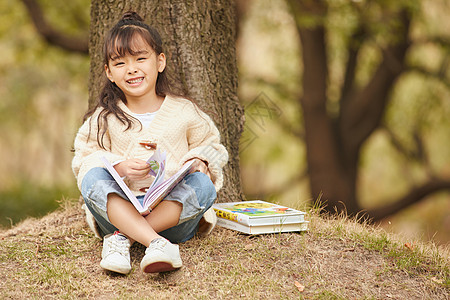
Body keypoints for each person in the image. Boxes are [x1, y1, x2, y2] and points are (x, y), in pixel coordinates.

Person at [72, 11, 228, 275]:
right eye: (120, 63)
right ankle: (156, 243)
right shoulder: (104, 117)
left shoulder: (185, 111)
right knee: (90, 177)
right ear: (109, 73)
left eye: (141, 59)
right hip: (118, 213)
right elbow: (84, 158)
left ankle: (125, 239)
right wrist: (119, 167)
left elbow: (213, 147)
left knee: (203, 184)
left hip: (174, 217)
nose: (132, 69)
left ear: (160, 61)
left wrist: (199, 161)